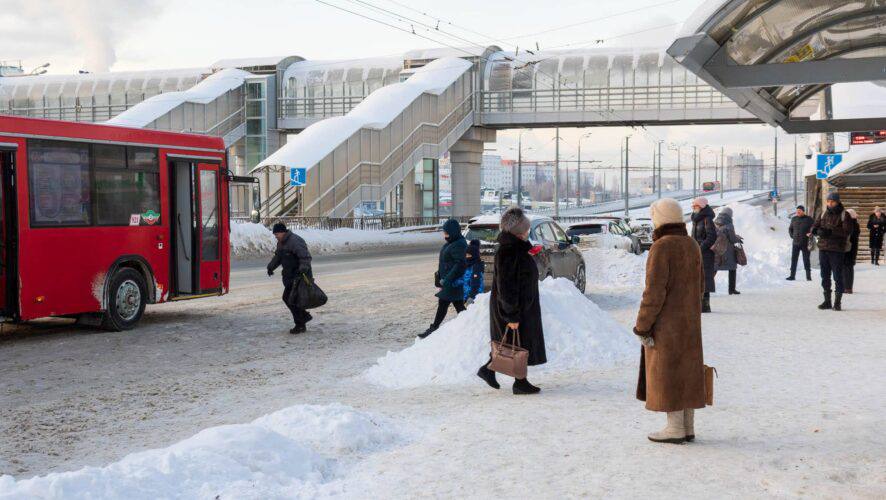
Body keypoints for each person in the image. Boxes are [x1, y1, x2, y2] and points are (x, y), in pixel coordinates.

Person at [634, 198, 706, 444]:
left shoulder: (662, 247)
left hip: (666, 324)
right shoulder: (692, 244)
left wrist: (643, 325)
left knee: (668, 372)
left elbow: (654, 292)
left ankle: (674, 428)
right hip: (690, 321)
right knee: (687, 369)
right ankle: (688, 427)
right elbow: (701, 287)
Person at [478, 206, 546, 395]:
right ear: (518, 232)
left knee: (513, 343)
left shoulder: (518, 249)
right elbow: (506, 286)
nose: (527, 232)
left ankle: (503, 375)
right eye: (525, 229)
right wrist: (511, 315)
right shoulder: (509, 251)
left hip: (521, 307)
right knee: (514, 343)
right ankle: (515, 380)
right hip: (512, 307)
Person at [419, 219, 467, 338]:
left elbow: (459, 264)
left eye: (446, 233)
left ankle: (434, 328)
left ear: (453, 232)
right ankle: (470, 324)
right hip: (448, 281)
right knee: (457, 305)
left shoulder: (459, 244)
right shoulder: (452, 242)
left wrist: (448, 279)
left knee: (446, 303)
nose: (444, 235)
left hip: (452, 282)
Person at [267, 222, 313, 334]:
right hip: (289, 276)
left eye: (276, 234)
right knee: (292, 299)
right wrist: (271, 267)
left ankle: (301, 322)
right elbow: (278, 256)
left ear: (282, 232)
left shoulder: (295, 241)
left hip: (299, 276)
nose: (276, 236)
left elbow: (305, 257)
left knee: (289, 299)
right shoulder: (281, 243)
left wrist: (302, 269)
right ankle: (303, 318)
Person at [811, 192, 852, 311]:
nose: (829, 203)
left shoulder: (845, 215)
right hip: (823, 248)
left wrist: (830, 231)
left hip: (836, 250)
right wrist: (815, 230)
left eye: (832, 201)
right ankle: (827, 301)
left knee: (837, 276)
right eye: (828, 201)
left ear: (837, 202)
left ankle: (837, 302)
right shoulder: (823, 213)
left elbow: (847, 231)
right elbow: (815, 225)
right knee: (824, 276)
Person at [691, 197, 716, 313]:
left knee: (705, 278)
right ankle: (698, 305)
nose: (693, 208)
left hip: (705, 253)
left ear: (701, 206)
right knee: (697, 278)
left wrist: (700, 248)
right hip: (697, 252)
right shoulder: (696, 219)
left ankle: (705, 306)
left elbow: (711, 237)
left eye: (695, 206)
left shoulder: (707, 219)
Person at [714, 206, 741, 295]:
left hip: (718, 250)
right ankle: (731, 289)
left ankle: (705, 288)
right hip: (728, 251)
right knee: (732, 269)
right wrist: (738, 238)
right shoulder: (729, 224)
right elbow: (732, 239)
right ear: (730, 215)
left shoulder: (716, 223)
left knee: (714, 269)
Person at [787, 205, 814, 281]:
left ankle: (808, 277)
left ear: (803, 211)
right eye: (797, 211)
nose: (798, 212)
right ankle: (792, 276)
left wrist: (811, 233)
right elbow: (790, 229)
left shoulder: (809, 219)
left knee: (806, 259)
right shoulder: (794, 219)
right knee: (794, 259)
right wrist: (793, 236)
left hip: (805, 243)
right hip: (795, 243)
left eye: (800, 211)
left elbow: (814, 228)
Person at [463, 239, 485, 304]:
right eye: (466, 255)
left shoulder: (476, 267)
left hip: (474, 298)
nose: (467, 257)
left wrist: (471, 296)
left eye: (469, 255)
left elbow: (476, 283)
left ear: (474, 255)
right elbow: (465, 280)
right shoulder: (468, 266)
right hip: (468, 296)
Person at [844, 208, 860, 294]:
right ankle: (848, 287)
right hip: (852, 249)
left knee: (846, 268)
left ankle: (847, 287)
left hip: (848, 249)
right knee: (849, 268)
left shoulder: (851, 224)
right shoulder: (856, 224)